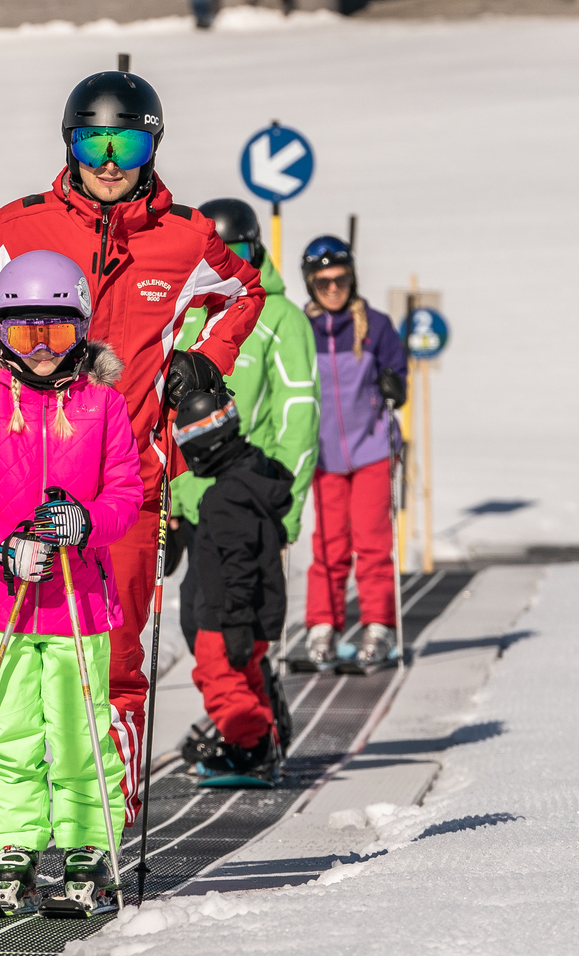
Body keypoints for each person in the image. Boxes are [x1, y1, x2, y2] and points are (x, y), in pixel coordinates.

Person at [0, 70, 264, 818]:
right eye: (93, 140)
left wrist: (204, 362)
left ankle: (102, 832)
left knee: (110, 666)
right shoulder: (22, 226)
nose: (109, 160)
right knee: (16, 672)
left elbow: (244, 292)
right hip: (16, 490)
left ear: (151, 145)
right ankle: (15, 840)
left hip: (124, 491)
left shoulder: (182, 237)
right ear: (70, 142)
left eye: (127, 141)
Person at [0, 250, 141, 918]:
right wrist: (3, 547)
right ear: (1, 333)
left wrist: (86, 523)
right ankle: (12, 850)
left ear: (81, 328)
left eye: (57, 329)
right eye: (25, 332)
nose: (43, 346)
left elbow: (126, 494)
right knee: (7, 730)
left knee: (81, 729)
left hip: (78, 600)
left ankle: (87, 850)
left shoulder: (103, 405)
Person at [168, 198, 320, 565]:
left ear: (255, 248)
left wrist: (285, 509)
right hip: (189, 505)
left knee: (237, 616)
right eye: (216, 252)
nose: (226, 265)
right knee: (195, 616)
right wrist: (169, 498)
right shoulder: (180, 313)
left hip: (250, 502)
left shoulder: (281, 318)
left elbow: (298, 419)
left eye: (237, 251)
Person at [169, 385, 294, 780]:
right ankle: (264, 741)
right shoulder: (255, 473)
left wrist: (235, 622)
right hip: (255, 610)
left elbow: (238, 566)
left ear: (205, 444)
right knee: (247, 675)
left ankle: (252, 749)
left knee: (218, 678)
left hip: (228, 615)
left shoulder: (226, 498)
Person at [298, 235, 408, 670]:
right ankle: (322, 625)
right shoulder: (301, 328)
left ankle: (378, 624)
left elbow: (398, 373)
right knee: (329, 545)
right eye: (322, 281)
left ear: (352, 277)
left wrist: (394, 385)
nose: (332, 288)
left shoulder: (375, 325)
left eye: (340, 279)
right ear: (309, 283)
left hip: (371, 450)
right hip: (323, 454)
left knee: (372, 540)